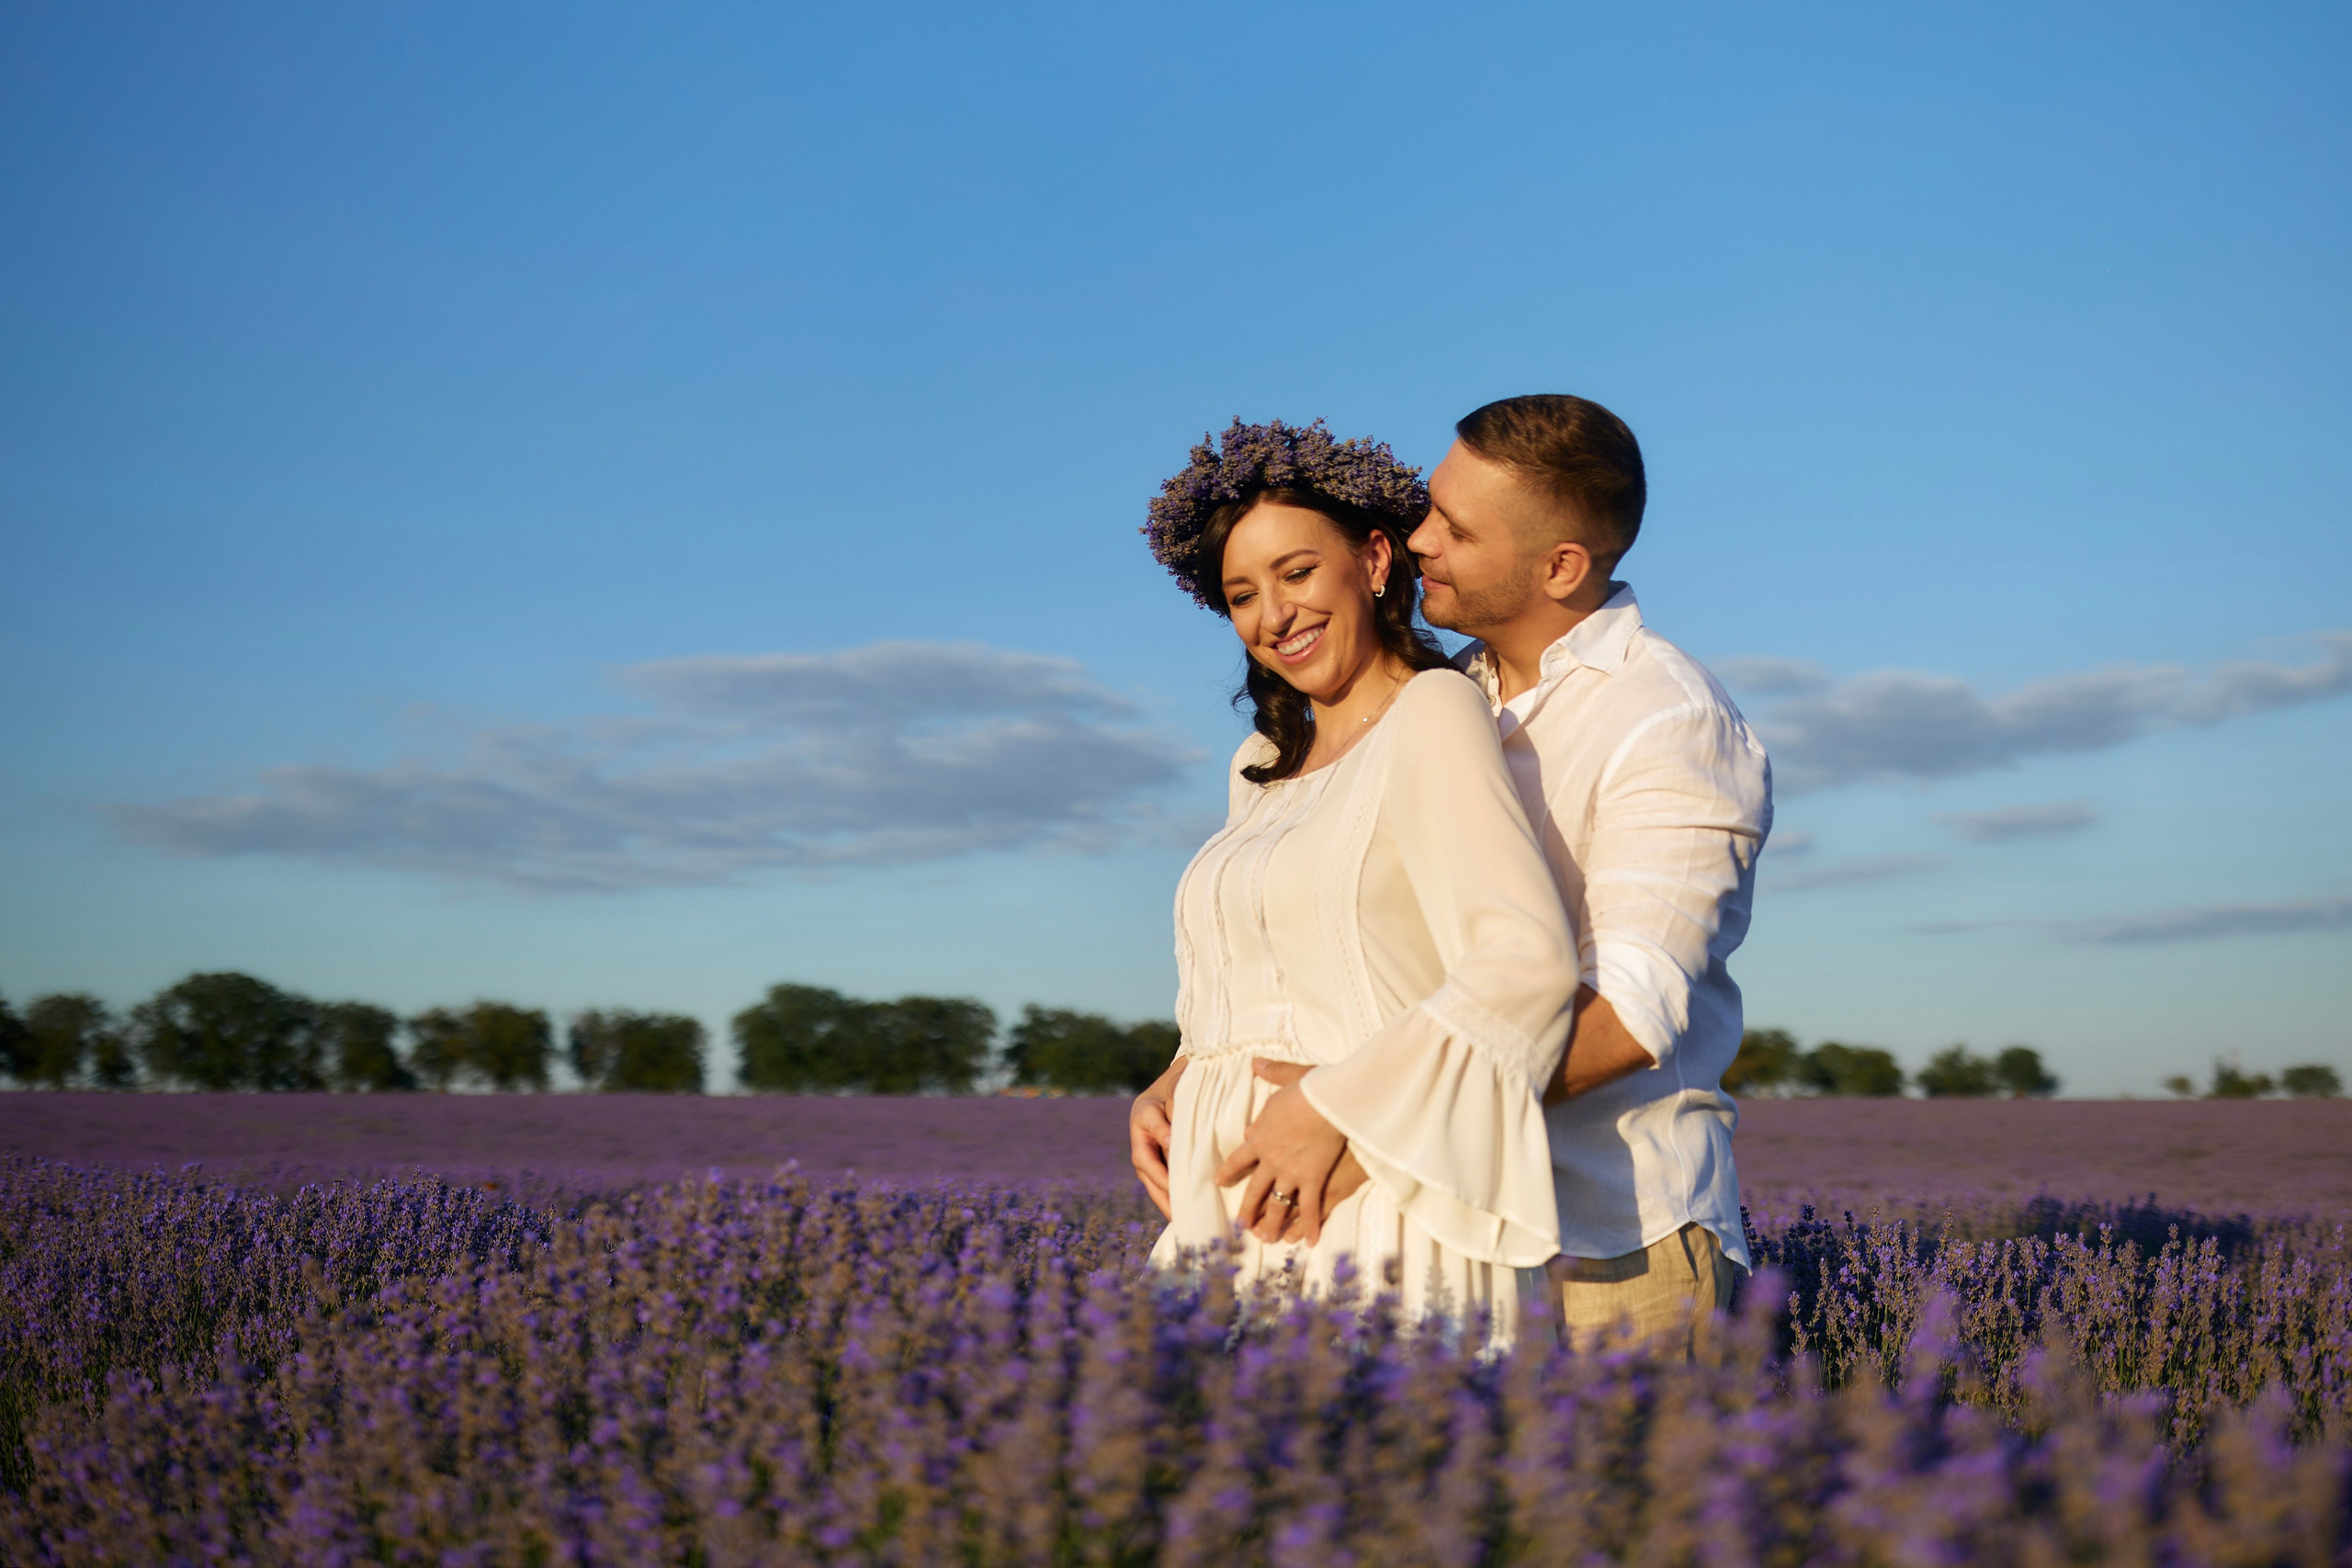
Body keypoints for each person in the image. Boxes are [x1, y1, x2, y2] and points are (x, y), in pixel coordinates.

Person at [1127, 418, 1578, 1344]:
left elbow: (1524, 963)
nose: (1274, 615)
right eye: (1241, 594)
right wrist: (1176, 1075)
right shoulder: (1260, 761)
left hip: (1360, 1195)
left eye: (1297, 573)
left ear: (1374, 561)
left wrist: (1338, 1109)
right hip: (1228, 1203)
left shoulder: (1432, 711)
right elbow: (1261, 975)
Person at [1406, 394, 1772, 1358]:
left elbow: (1627, 1019)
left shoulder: (1667, 719)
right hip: (1450, 1232)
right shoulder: (1441, 698)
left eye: (1453, 527)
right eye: (1428, 509)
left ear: (1561, 566)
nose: (1417, 541)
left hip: (1618, 1244)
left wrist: (1378, 1120)